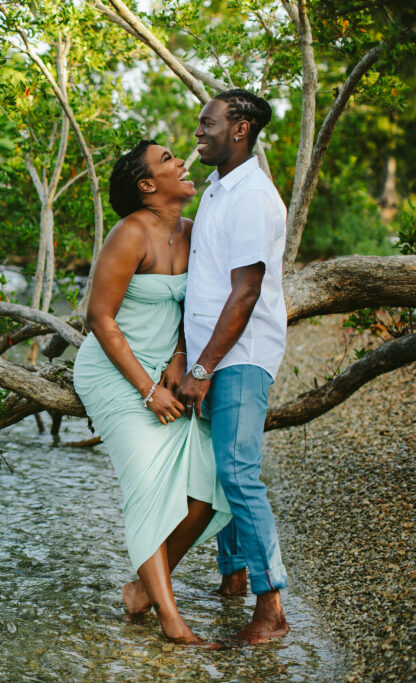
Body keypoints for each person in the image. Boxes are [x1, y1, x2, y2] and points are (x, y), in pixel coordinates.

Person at [72, 140, 232, 645]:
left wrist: (181, 359)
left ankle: (141, 590)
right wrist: (145, 390)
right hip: (115, 376)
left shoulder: (194, 232)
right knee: (146, 487)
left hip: (168, 373)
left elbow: (198, 305)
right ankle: (170, 618)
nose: (182, 162)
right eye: (167, 160)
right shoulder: (129, 234)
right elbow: (98, 318)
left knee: (210, 490)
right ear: (147, 185)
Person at [175, 89, 291, 644]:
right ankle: (232, 578)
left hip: (239, 357)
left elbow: (245, 293)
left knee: (238, 472)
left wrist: (203, 366)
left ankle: (271, 610)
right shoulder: (220, 188)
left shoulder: (253, 197)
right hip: (211, 356)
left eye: (208, 123)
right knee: (217, 471)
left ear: (240, 129)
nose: (199, 131)